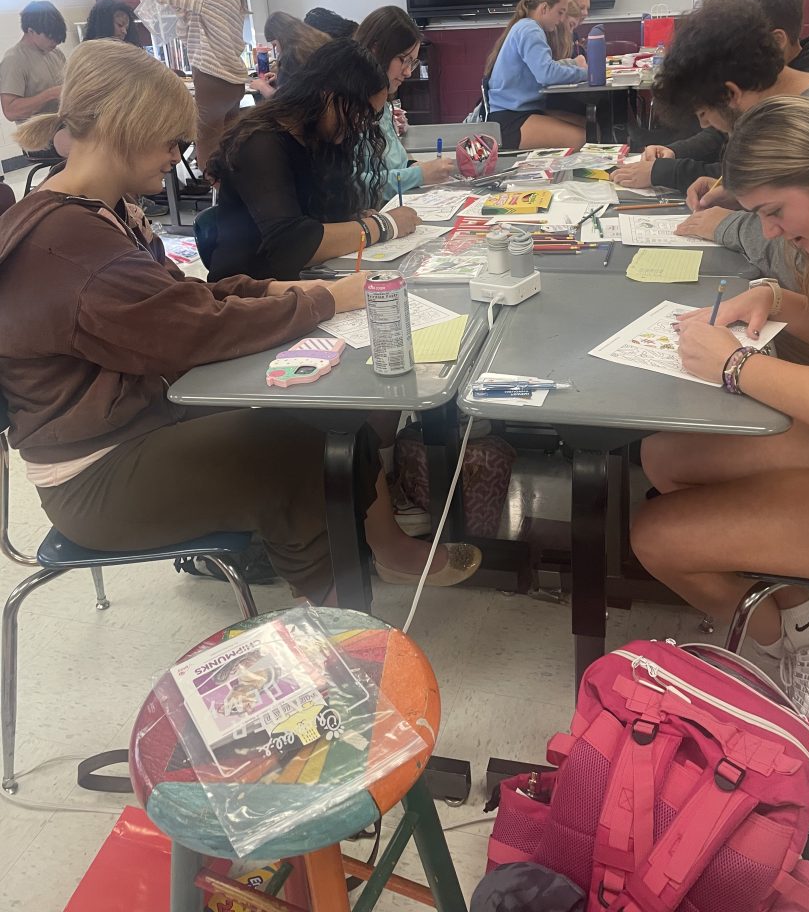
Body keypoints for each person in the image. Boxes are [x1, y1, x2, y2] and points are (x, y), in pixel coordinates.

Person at [3, 39, 479, 592]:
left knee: (332, 427)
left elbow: (178, 298)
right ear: (124, 127)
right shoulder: (67, 244)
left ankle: (357, 558)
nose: (178, 156)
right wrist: (325, 300)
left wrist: (271, 289)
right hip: (95, 474)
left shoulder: (101, 214)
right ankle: (335, 626)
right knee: (304, 455)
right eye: (171, 140)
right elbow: (193, 332)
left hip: (141, 423)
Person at [632, 96, 809, 736]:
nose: (771, 232)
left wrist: (735, 367)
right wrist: (772, 295)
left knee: (657, 538)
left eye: (775, 213)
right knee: (665, 457)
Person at [612, 0, 809, 286]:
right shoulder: (808, 95)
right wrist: (743, 195)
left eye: (704, 113)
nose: (705, 125)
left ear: (731, 94)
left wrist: (728, 225)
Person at [616, 0, 809, 195]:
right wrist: (729, 190)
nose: (704, 123)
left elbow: (787, 211)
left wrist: (726, 222)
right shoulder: (782, 96)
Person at [206, 38, 422, 283]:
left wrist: (353, 220)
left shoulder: (323, 138)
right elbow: (292, 244)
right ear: (328, 97)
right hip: (250, 294)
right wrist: (384, 225)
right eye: (360, 113)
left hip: (303, 282)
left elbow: (321, 217)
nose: (362, 125)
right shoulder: (260, 143)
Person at [151, 0, 248, 169]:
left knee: (208, 151)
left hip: (212, 77)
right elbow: (187, 30)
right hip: (231, 80)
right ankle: (229, 199)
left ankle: (218, 197)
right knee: (228, 150)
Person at [354, 6, 455, 199]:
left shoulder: (382, 102)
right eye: (404, 60)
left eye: (413, 63)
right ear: (375, 50)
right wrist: (418, 175)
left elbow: (395, 163)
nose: (408, 72)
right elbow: (356, 188)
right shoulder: (349, 109)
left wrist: (416, 168)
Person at [483, 0, 588, 149]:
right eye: (560, 12)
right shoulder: (530, 29)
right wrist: (588, 74)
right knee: (582, 137)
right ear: (544, 8)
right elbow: (547, 74)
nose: (561, 20)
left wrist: (573, 63)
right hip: (511, 119)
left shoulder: (526, 27)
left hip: (521, 111)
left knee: (586, 123)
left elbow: (546, 66)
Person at [0, 0, 66, 126]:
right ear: (30, 31)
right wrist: (50, 94)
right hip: (38, 141)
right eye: (50, 36)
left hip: (63, 130)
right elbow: (10, 111)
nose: (55, 42)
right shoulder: (14, 60)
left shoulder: (56, 53)